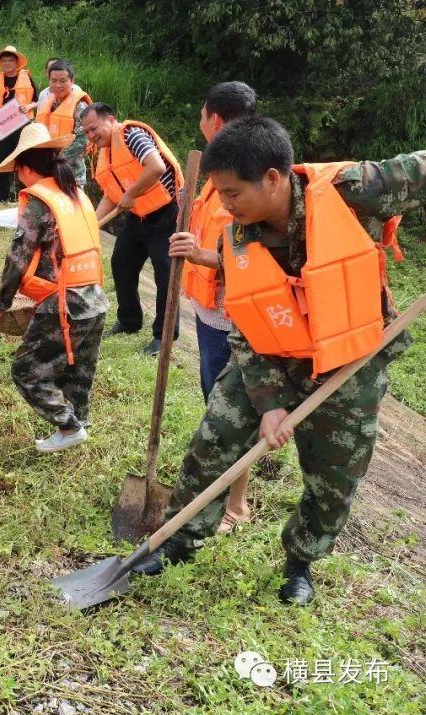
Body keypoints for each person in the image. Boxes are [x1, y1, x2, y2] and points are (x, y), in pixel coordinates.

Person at [136, 117, 425, 606]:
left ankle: (300, 562)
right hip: (270, 353)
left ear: (272, 177)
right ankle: (179, 541)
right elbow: (246, 323)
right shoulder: (239, 238)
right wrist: (269, 402)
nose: (224, 205)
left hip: (347, 364)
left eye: (232, 193)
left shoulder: (354, 192)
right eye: (218, 194)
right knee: (213, 441)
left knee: (334, 477)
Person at [0, 124, 108, 452]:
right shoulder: (76, 192)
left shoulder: (40, 200)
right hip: (94, 297)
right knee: (78, 369)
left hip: (67, 302)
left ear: (26, 168)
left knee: (25, 369)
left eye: (19, 172)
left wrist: (0, 302)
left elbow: (18, 257)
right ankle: (79, 426)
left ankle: (68, 427)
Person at [178, 81, 258, 533]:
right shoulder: (218, 168)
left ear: (216, 119)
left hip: (234, 316)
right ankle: (229, 486)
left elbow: (250, 255)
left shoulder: (243, 172)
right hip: (210, 312)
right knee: (216, 402)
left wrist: (200, 254)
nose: (200, 121)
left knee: (231, 407)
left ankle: (237, 503)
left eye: (202, 113)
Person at [80, 102, 183, 357]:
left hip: (166, 216)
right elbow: (111, 196)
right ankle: (129, 321)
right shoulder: (105, 151)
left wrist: (132, 192)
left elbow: (156, 167)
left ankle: (164, 337)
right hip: (138, 217)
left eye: (94, 129)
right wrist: (89, 226)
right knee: (121, 263)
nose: (92, 136)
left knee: (165, 277)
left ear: (110, 119)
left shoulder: (131, 135)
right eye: (87, 132)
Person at [0, 44, 38, 202]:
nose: (7, 63)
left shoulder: (26, 77)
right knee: (2, 164)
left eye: (10, 60)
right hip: (4, 127)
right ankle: (2, 200)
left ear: (17, 62)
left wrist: (28, 106)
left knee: (25, 163)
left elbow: (37, 101)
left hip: (23, 126)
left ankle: (27, 198)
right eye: (4, 61)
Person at [34, 60, 91, 185]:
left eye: (63, 81)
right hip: (49, 172)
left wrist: (56, 162)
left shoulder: (80, 106)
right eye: (53, 81)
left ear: (72, 81)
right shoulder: (48, 104)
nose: (58, 85)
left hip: (72, 175)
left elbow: (82, 139)